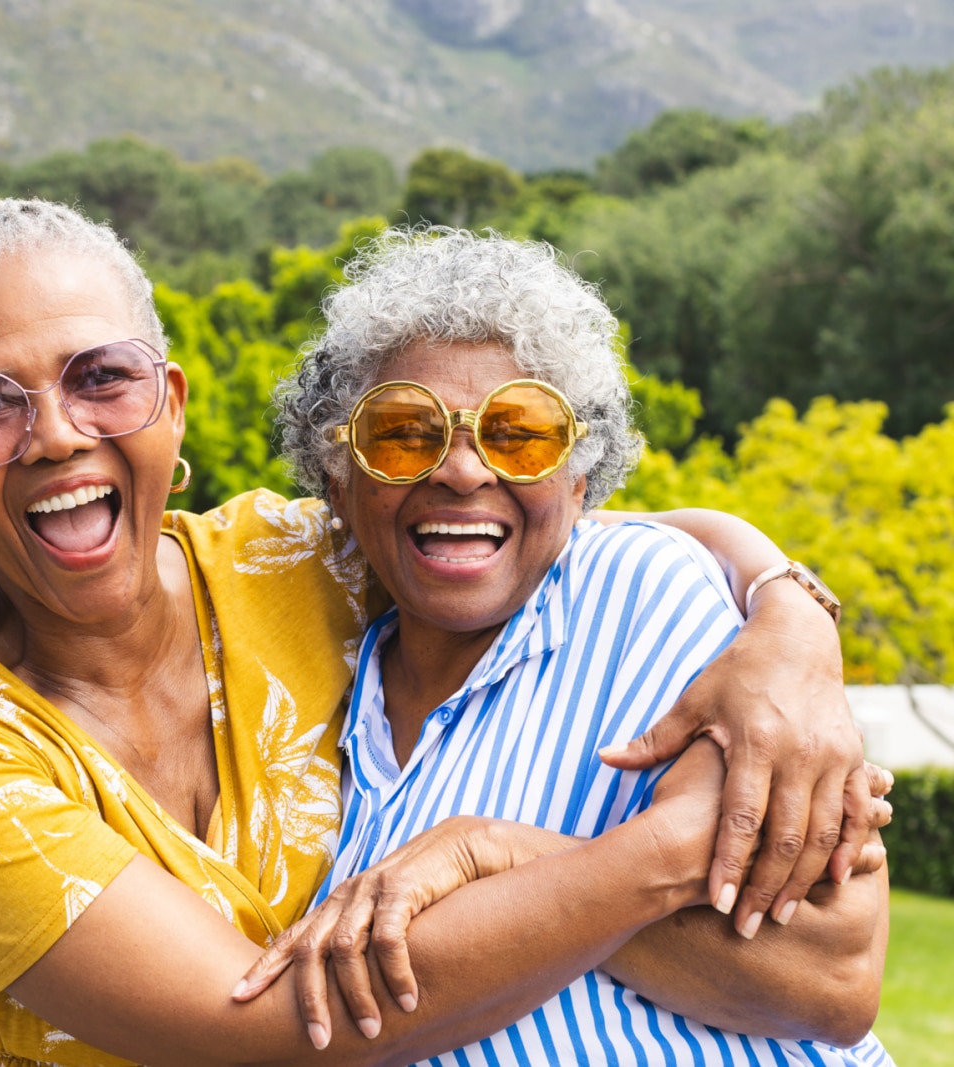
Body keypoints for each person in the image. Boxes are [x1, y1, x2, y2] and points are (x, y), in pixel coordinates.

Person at [0, 198, 884, 1067]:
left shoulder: (283, 562)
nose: (58, 433)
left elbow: (528, 525)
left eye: (98, 377)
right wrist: (643, 852)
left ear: (167, 401)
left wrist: (787, 613)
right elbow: (247, 1027)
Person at [238, 225, 892, 1064]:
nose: (464, 471)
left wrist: (501, 856)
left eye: (519, 433)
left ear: (580, 477)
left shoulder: (642, 592)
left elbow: (830, 979)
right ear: (337, 476)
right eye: (404, 431)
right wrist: (594, 886)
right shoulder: (317, 699)